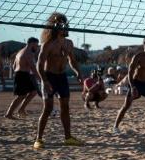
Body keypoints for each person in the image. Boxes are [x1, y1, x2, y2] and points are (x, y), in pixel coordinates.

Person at [34, 13, 85, 148]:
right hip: (49, 77)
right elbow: (39, 65)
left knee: (65, 107)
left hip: (62, 77)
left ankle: (68, 138)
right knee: (48, 108)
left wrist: (78, 73)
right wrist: (45, 81)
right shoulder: (48, 44)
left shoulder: (69, 43)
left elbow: (72, 61)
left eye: (65, 24)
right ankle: (38, 139)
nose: (64, 27)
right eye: (61, 25)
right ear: (55, 27)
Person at [5, 37, 41, 119]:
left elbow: (14, 66)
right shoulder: (28, 53)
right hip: (22, 75)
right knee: (21, 96)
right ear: (32, 44)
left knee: (33, 92)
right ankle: (9, 113)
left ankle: (21, 109)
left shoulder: (20, 52)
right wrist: (39, 78)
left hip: (22, 74)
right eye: (36, 45)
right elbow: (33, 67)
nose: (37, 47)